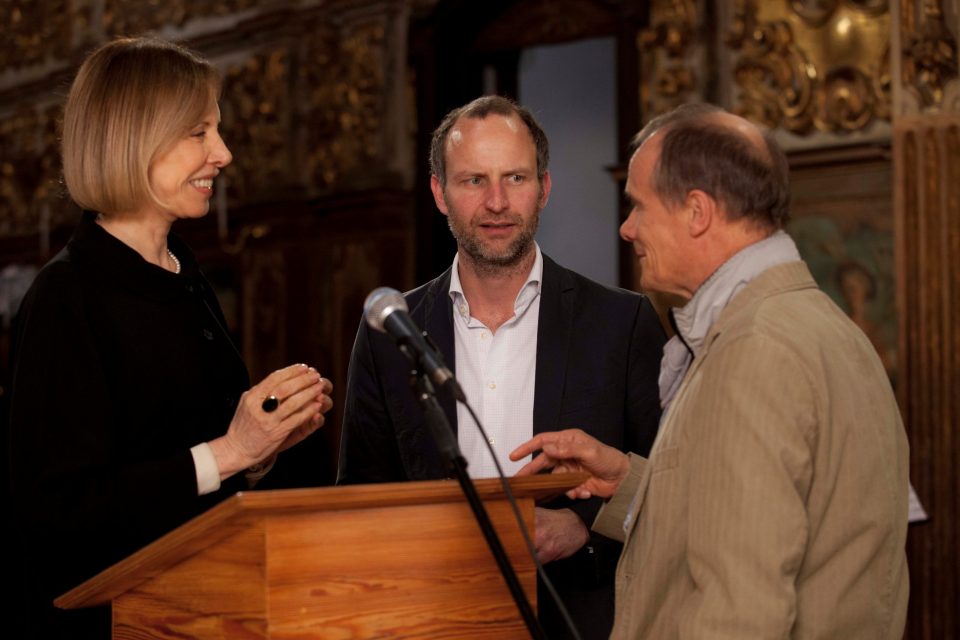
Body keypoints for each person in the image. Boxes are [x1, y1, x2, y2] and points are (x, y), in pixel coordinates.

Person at [510, 103, 910, 638]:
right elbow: (766, 512)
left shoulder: (756, 351)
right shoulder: (817, 325)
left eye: (639, 206)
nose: (627, 229)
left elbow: (740, 611)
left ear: (697, 212)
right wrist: (630, 483)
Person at [6, 37, 334, 639]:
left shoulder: (182, 275)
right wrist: (232, 451)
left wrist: (264, 448)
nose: (223, 154)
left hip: (210, 609)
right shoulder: (66, 296)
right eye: (198, 132)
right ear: (134, 140)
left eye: (218, 131)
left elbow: (189, 464)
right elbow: (58, 515)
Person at [338, 95, 665, 639]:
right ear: (440, 193)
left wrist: (580, 529)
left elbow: (670, 489)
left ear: (544, 188)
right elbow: (360, 501)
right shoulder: (390, 332)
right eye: (473, 181)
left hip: (580, 622)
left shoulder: (623, 323)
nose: (497, 202)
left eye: (515, 178)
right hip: (430, 620)